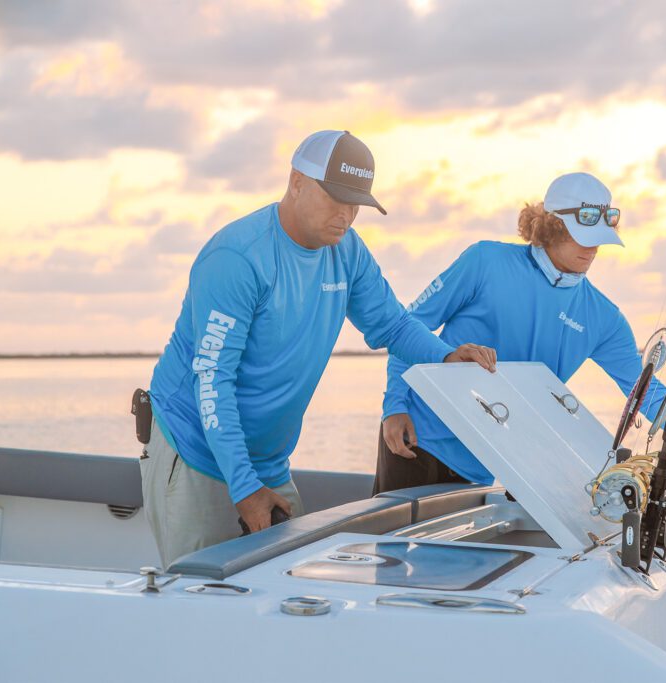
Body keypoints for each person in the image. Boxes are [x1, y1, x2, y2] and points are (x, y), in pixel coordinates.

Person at [142, 130, 496, 566]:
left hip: (269, 459)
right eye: (335, 199)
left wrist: (445, 356)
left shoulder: (346, 251)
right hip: (196, 449)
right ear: (296, 182)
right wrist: (244, 486)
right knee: (199, 597)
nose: (346, 215)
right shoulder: (238, 257)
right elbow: (214, 382)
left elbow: (394, 324)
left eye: (356, 205)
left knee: (284, 590)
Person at [375, 172, 666, 494]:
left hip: (483, 462)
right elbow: (409, 326)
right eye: (581, 234)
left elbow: (646, 393)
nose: (593, 247)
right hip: (415, 437)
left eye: (600, 236)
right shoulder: (484, 261)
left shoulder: (604, 318)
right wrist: (395, 406)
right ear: (550, 226)